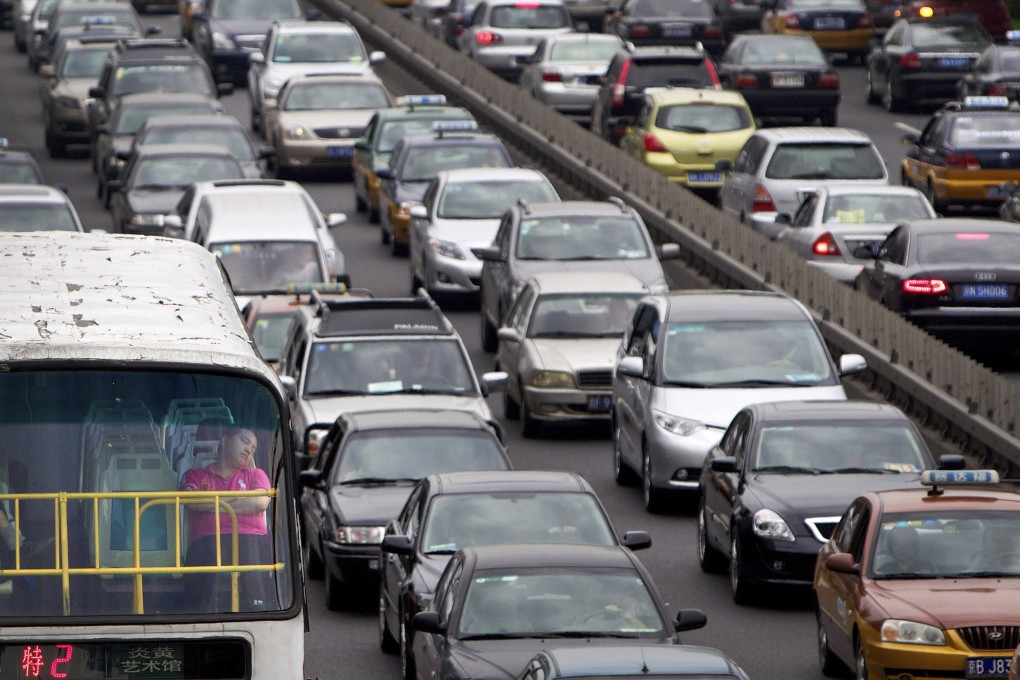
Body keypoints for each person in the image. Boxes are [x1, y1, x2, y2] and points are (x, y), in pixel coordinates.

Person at [181, 426, 273, 613]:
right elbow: (192, 501)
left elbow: (260, 502)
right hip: (208, 540)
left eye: (253, 448)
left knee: (252, 551)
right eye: (244, 441)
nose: (248, 450)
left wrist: (212, 504)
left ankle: (258, 610)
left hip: (251, 540)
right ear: (224, 441)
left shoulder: (256, 474)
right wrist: (239, 497)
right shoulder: (196, 475)